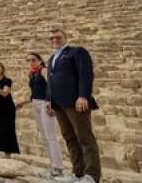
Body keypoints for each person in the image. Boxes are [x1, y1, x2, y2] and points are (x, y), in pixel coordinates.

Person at [46, 28, 101, 183]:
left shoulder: (77, 52)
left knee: (85, 138)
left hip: (75, 102)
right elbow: (51, 81)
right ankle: (77, 173)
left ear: (65, 37)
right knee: (69, 138)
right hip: (58, 104)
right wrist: (48, 99)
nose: (54, 40)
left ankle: (91, 175)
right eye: (51, 38)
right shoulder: (52, 58)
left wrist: (83, 96)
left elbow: (86, 74)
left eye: (57, 37)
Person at [16, 52, 64, 178]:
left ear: (40, 60)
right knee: (44, 137)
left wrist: (51, 102)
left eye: (33, 60)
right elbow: (34, 93)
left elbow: (52, 86)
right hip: (36, 105)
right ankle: (53, 166)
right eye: (28, 60)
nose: (31, 62)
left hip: (45, 104)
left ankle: (58, 168)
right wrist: (22, 102)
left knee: (51, 136)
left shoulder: (43, 70)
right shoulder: (32, 74)